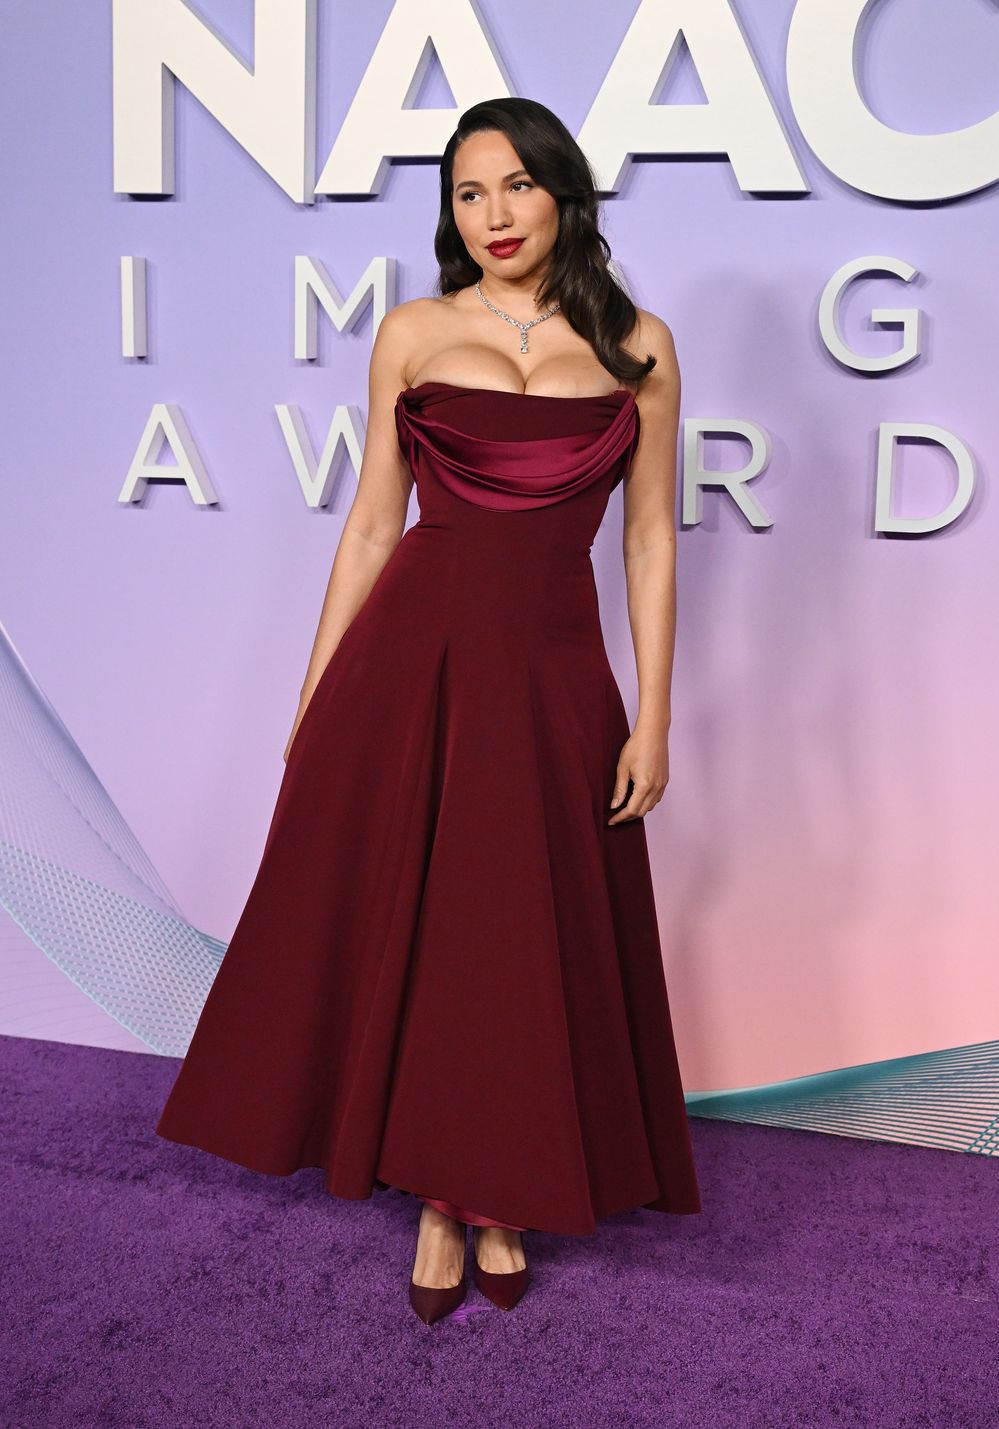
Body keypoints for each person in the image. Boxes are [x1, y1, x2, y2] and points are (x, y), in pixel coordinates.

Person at [156, 96, 702, 1326]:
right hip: (411, 668)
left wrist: (654, 717)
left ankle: (495, 1189)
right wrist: (314, 693)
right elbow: (370, 526)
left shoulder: (641, 347)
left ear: (563, 192)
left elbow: (650, 541)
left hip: (552, 676)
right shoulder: (412, 331)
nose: (494, 214)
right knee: (428, 929)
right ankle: (447, 1204)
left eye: (516, 184)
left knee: (513, 934)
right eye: (467, 193)